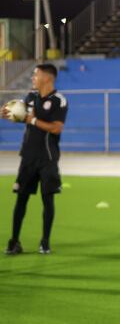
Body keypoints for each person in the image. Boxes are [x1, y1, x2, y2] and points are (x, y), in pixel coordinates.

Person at [3, 64, 67, 255]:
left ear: (47, 78)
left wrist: (32, 120)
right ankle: (14, 241)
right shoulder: (30, 97)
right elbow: (23, 115)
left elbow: (56, 128)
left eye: (35, 74)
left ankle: (45, 241)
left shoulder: (58, 101)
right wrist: (8, 113)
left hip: (47, 158)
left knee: (48, 200)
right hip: (28, 158)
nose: (33, 77)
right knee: (20, 200)